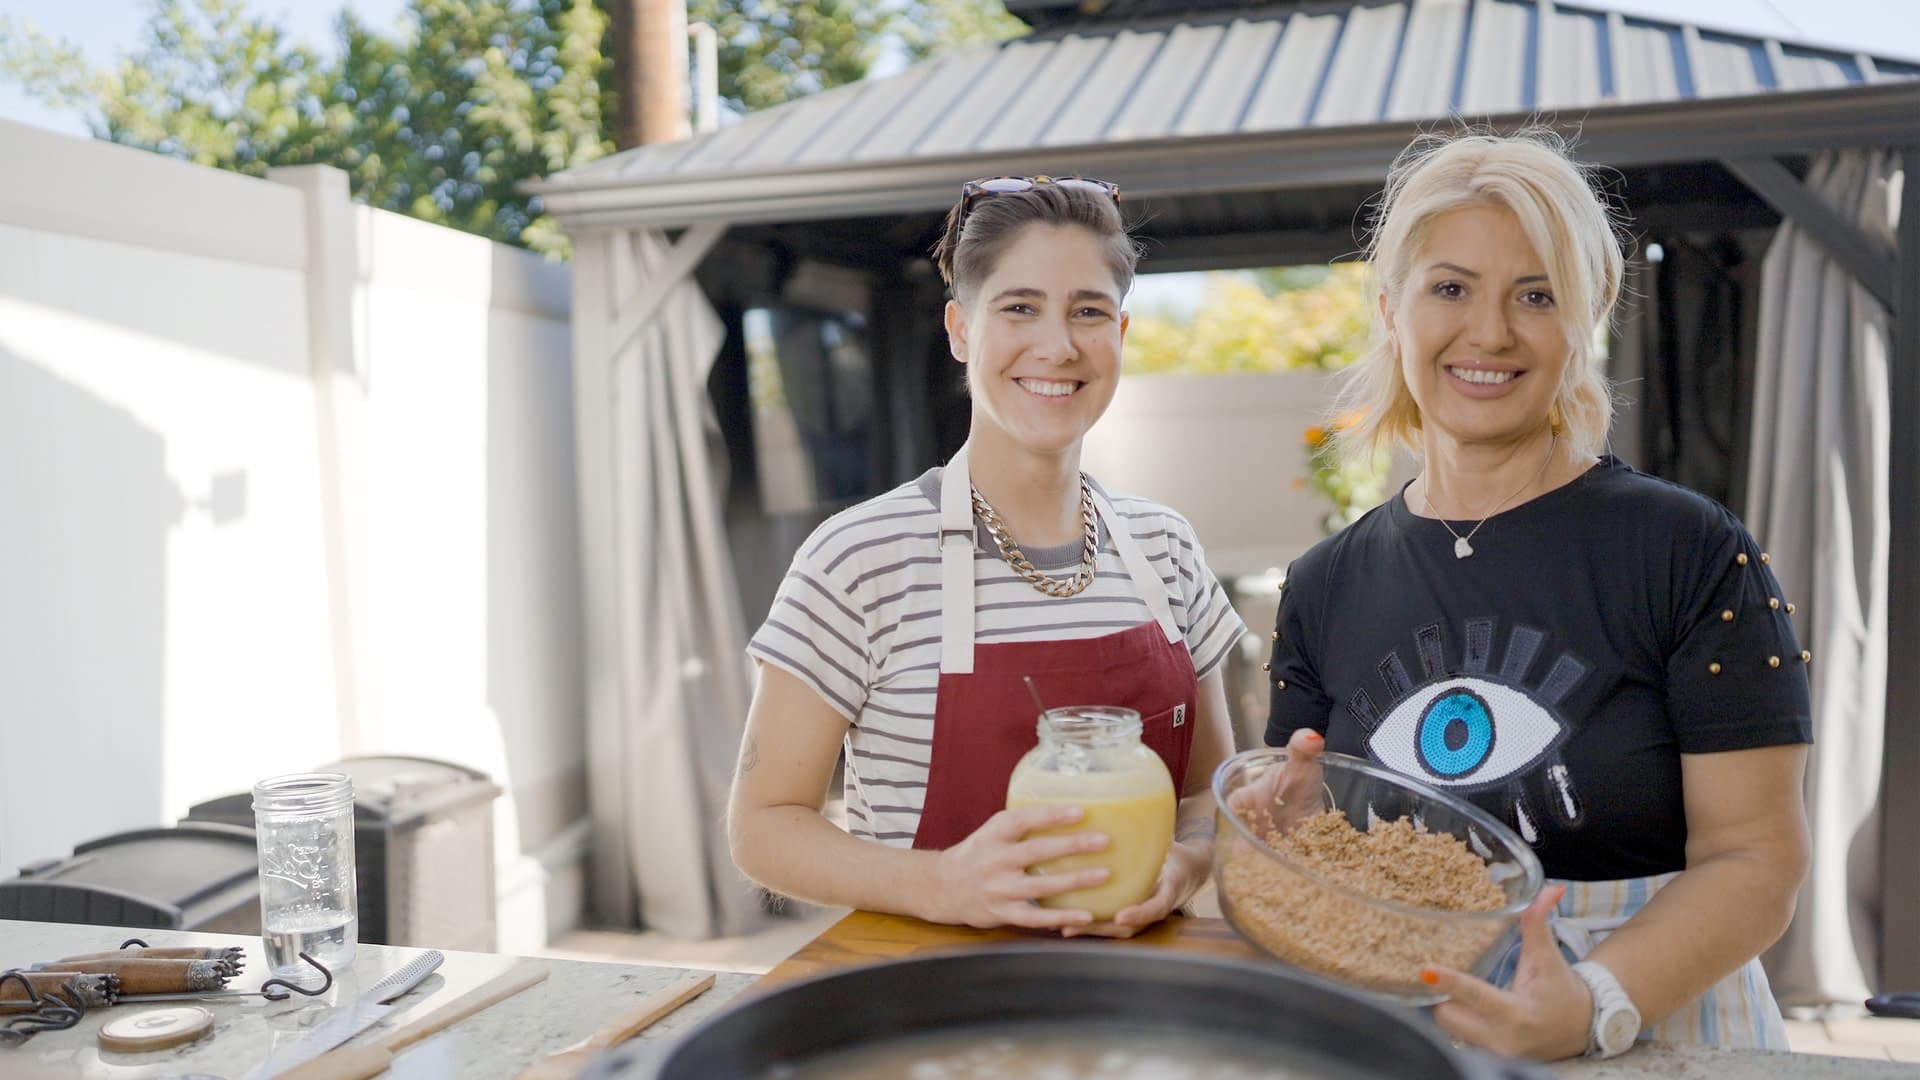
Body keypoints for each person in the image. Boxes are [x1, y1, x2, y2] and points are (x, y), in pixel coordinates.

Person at [1264, 129, 1812, 1060]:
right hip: (1417, 1031)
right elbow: (1311, 841)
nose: (1490, 332)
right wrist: (1285, 832)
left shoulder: (1687, 549)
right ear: (1393, 307)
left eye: (1537, 295)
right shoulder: (1323, 585)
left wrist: (1594, 1001)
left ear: (1588, 313)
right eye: (1451, 289)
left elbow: (1759, 860)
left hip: (1660, 1024)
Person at [728, 175, 1245, 936]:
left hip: (1139, 1004)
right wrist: (940, 884)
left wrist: (1187, 865)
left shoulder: (1165, 549)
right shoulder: (860, 558)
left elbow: (1207, 795)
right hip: (928, 1009)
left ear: (1122, 335)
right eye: (1019, 308)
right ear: (960, 329)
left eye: (1089, 311)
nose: (1058, 345)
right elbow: (763, 827)